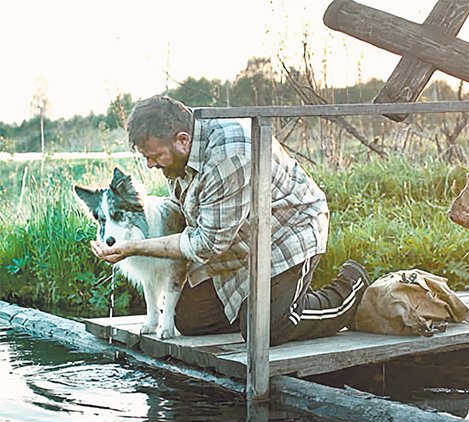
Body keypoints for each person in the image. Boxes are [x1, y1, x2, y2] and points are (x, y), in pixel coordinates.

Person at [90, 95, 369, 346]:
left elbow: (207, 245)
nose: (151, 164)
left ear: (183, 139)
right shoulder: (184, 148)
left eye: (155, 156)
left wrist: (134, 248)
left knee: (266, 329)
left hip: (287, 233)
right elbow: (186, 214)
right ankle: (266, 303)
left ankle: (349, 288)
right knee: (188, 320)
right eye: (146, 157)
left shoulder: (229, 155)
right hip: (240, 243)